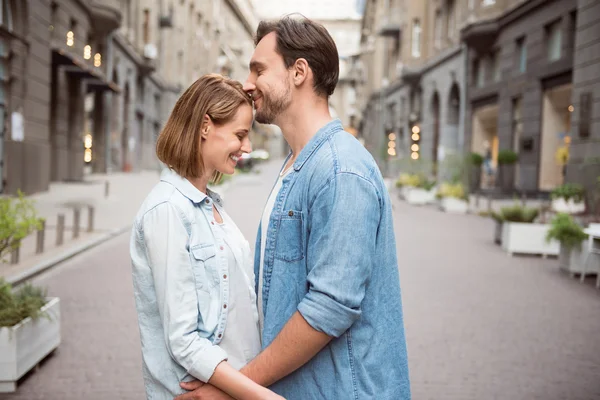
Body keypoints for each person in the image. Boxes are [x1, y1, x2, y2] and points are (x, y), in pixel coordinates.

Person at [179, 17, 411, 400]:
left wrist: (233, 388)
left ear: (299, 71)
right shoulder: (297, 164)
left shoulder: (341, 169)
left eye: (259, 69)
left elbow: (329, 308)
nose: (247, 83)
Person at [129, 74, 283, 400]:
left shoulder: (210, 205)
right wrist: (260, 395)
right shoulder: (167, 210)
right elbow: (182, 340)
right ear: (205, 127)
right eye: (240, 135)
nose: (247, 147)